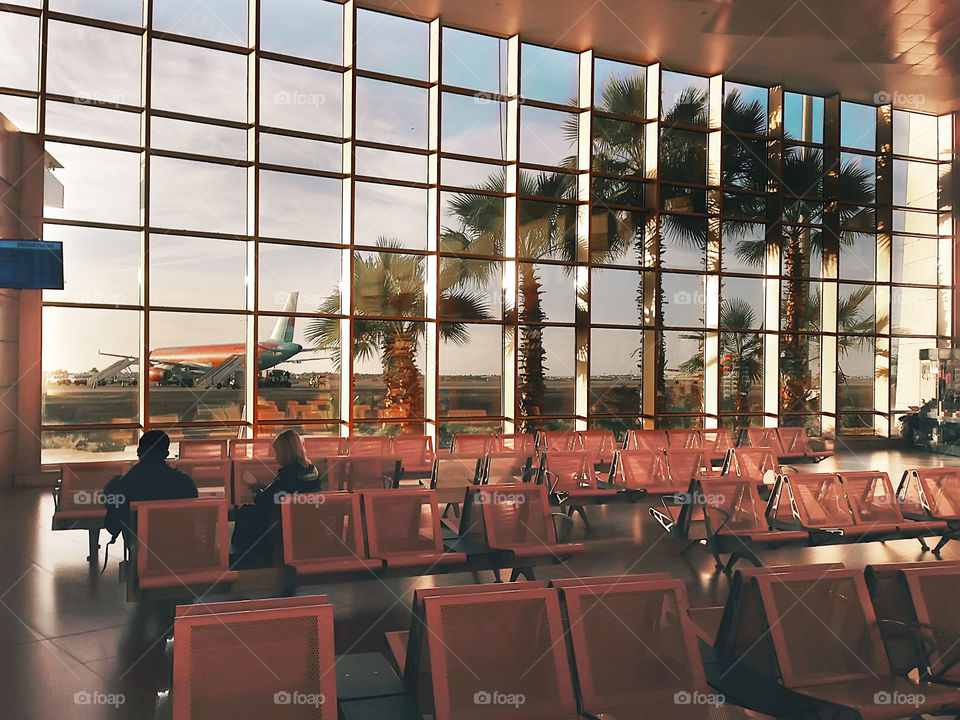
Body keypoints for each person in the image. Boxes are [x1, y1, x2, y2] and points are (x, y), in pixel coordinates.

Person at [231, 430, 320, 566]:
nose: (276, 458)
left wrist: (255, 488)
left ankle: (244, 562)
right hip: (307, 524)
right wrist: (263, 487)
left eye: (278, 453)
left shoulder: (287, 476)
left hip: (283, 525)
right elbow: (277, 493)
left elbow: (263, 501)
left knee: (245, 513)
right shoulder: (312, 471)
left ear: (287, 453)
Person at [102, 430, 198, 545]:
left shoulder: (119, 485)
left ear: (139, 452)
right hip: (183, 547)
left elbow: (112, 526)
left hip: (141, 548)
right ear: (166, 454)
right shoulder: (185, 482)